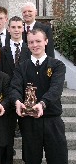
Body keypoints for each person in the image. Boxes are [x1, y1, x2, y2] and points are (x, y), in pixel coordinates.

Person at [10, 29, 68, 164]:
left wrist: (42, 104)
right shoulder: (21, 67)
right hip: (29, 122)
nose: (35, 45)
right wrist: (17, 101)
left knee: (58, 159)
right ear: (27, 44)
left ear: (46, 42)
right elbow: (15, 87)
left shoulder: (57, 65)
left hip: (52, 120)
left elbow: (56, 89)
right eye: (31, 42)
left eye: (38, 41)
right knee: (31, 160)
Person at [0, 16, 31, 164]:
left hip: (26, 99)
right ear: (8, 29)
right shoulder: (2, 50)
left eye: (19, 27)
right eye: (13, 27)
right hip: (6, 98)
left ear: (23, 29)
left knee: (29, 135)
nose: (16, 30)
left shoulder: (29, 49)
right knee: (7, 135)